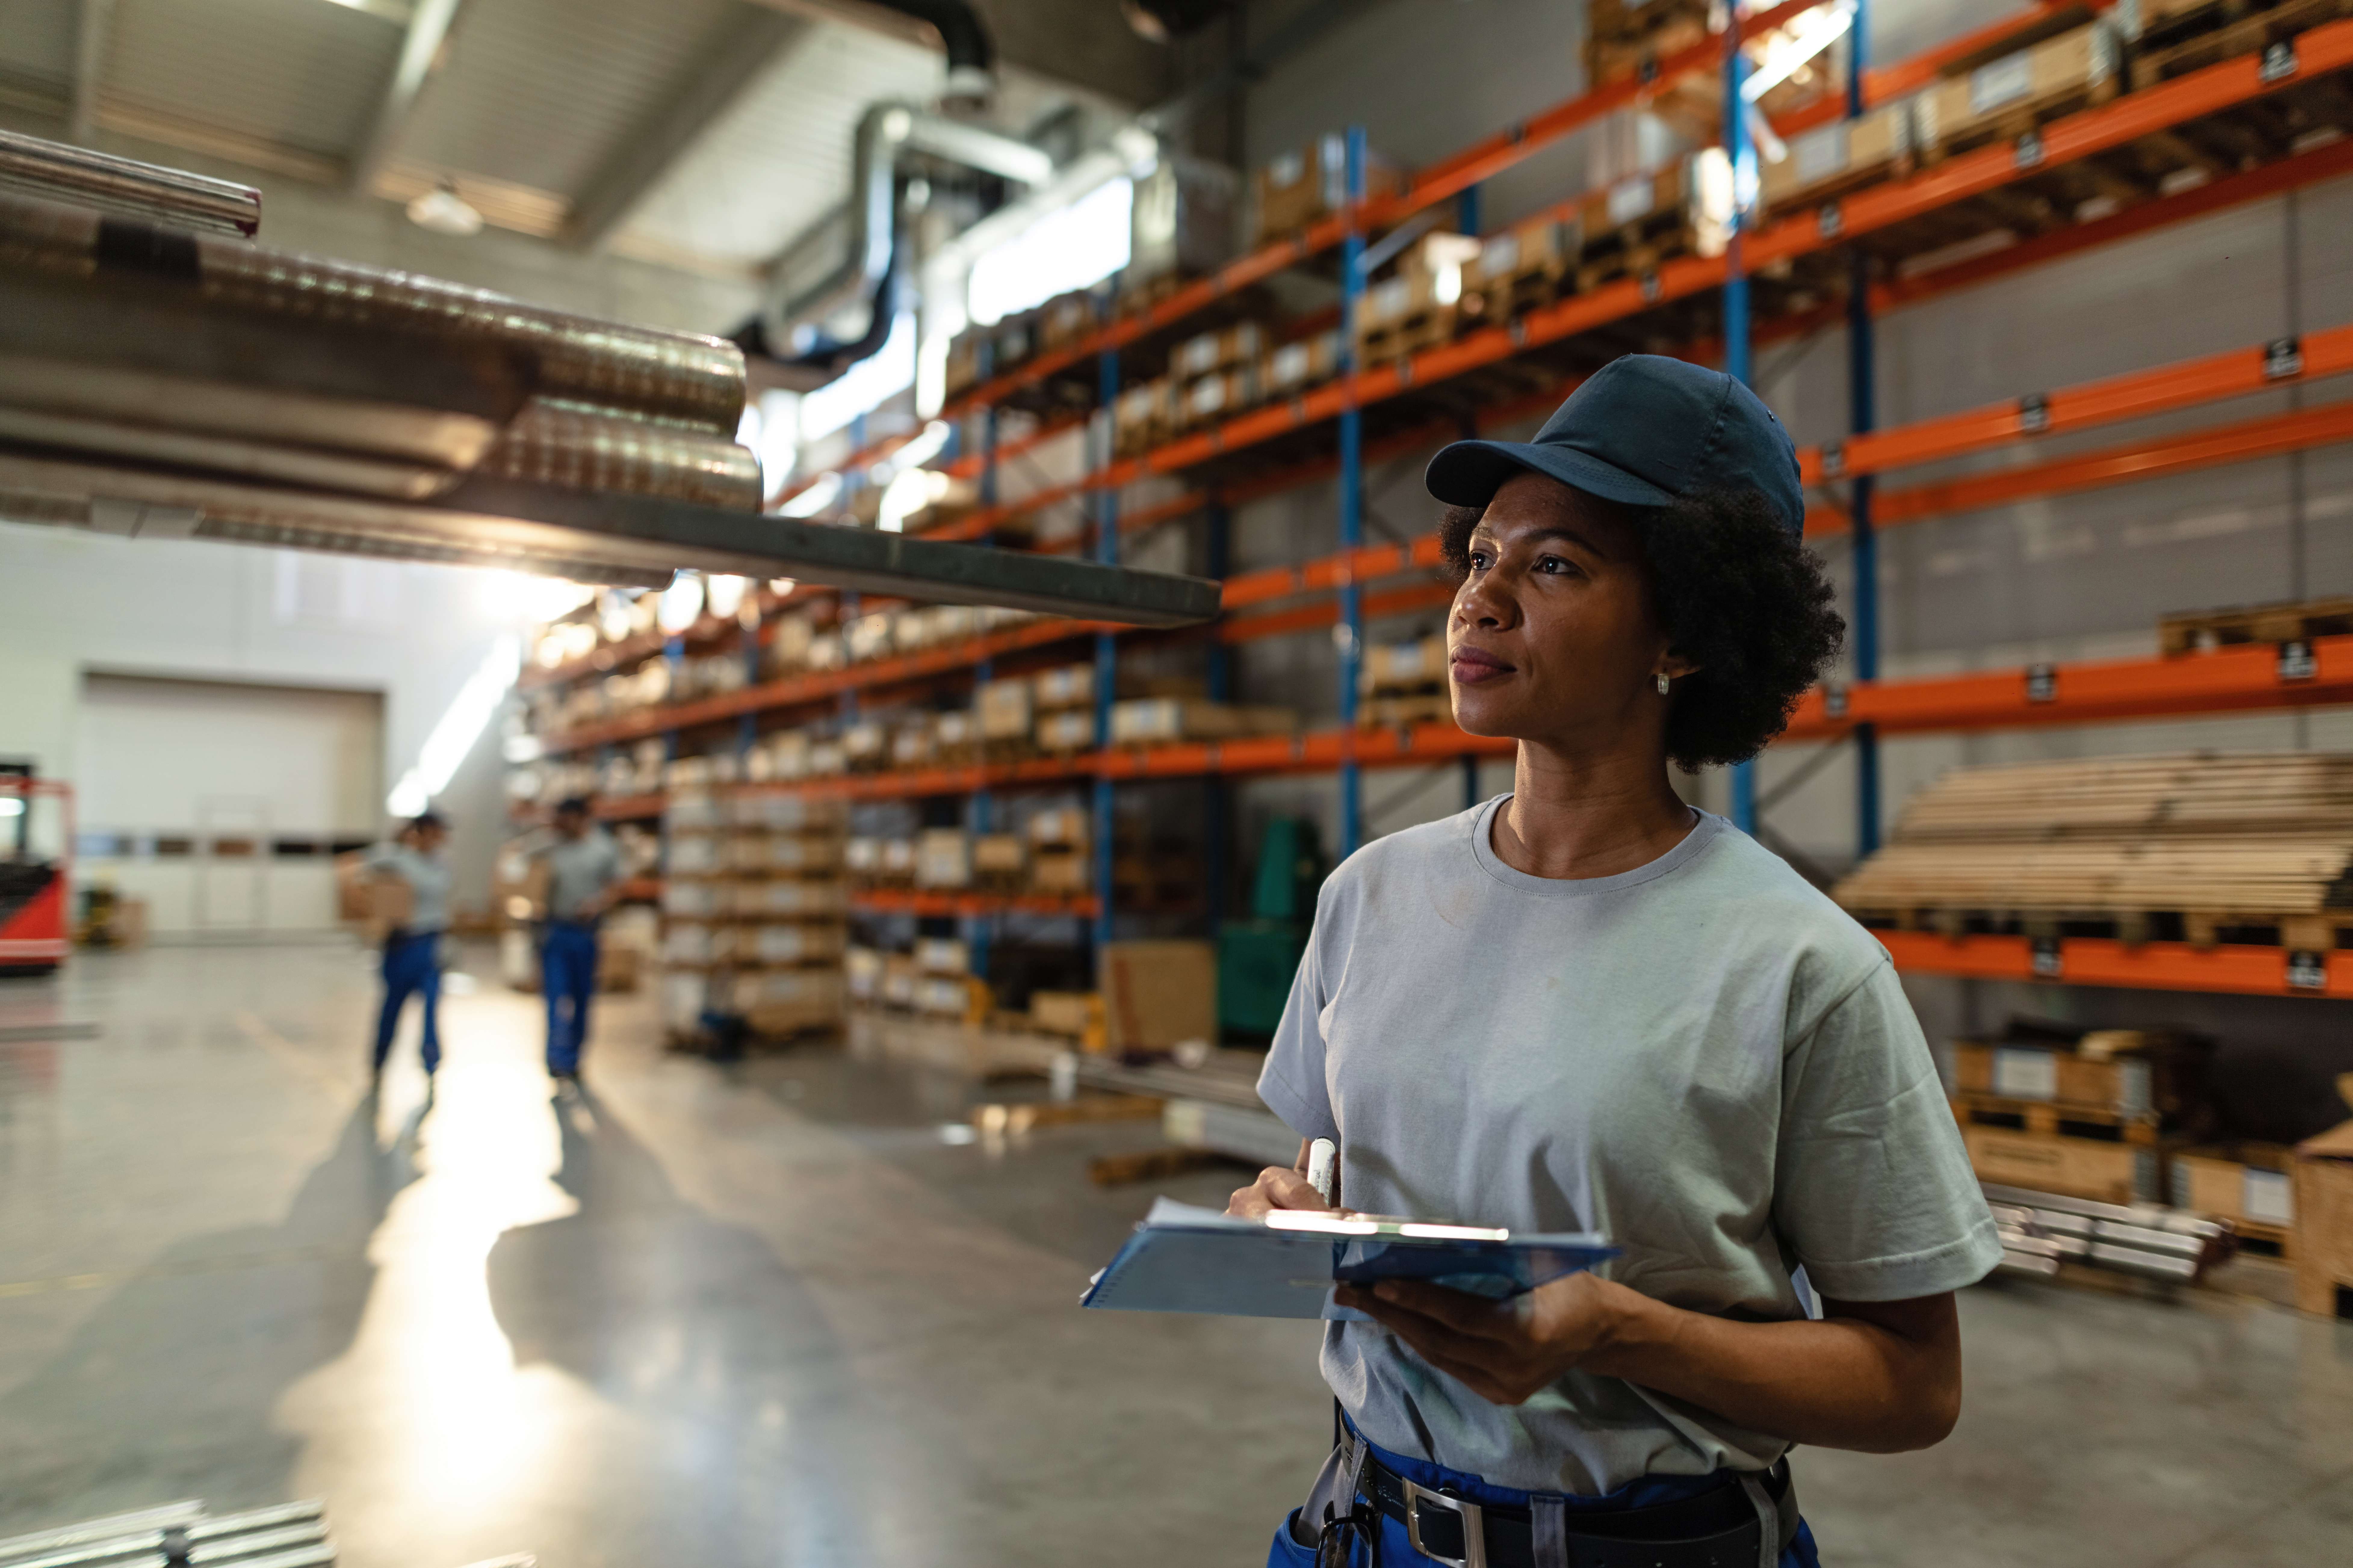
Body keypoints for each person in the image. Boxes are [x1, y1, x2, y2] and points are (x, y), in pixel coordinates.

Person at [1234, 355, 2002, 1568]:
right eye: (1479, 556)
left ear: (1684, 637)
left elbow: (1911, 1384)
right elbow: (1327, 1163)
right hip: (1360, 1531)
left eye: (1553, 565)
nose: (1479, 601)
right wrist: (1292, 1214)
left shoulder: (1798, 964)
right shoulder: (1369, 895)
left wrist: (1617, 1332)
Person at [533, 796, 623, 1084]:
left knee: (582, 998)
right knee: (555, 997)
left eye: (568, 819)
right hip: (555, 930)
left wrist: (598, 904)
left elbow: (616, 887)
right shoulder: (550, 846)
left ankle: (575, 1057)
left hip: (585, 933)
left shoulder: (603, 849)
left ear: (583, 818)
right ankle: (556, 1058)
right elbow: (517, 868)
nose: (563, 825)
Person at [362, 811, 452, 1084]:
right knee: (393, 1005)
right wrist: (397, 840)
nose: (438, 840)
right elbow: (365, 863)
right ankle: (379, 1059)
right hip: (403, 944)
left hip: (432, 943)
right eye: (432, 833)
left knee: (432, 1006)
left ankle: (431, 1062)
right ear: (419, 833)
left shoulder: (443, 865)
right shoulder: (400, 860)